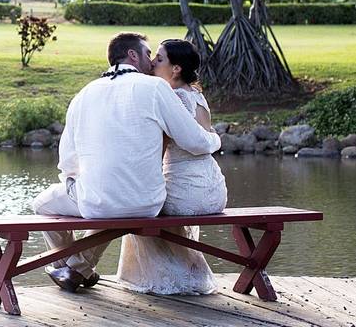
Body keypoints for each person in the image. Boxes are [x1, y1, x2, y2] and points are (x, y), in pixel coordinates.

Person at [31, 32, 221, 292]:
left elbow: (68, 159)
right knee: (108, 200)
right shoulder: (156, 88)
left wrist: (76, 183)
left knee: (43, 204)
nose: (152, 61)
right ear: (133, 55)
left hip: (102, 201)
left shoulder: (85, 94)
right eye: (147, 54)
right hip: (148, 201)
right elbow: (194, 140)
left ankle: (67, 265)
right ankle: (75, 267)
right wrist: (215, 140)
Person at [116, 39, 228, 295]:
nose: (153, 62)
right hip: (214, 191)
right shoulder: (197, 95)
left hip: (187, 194)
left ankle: (166, 275)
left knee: (139, 206)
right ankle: (185, 268)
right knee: (152, 200)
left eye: (160, 58)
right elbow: (204, 136)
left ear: (175, 69)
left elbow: (159, 149)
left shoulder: (173, 97)